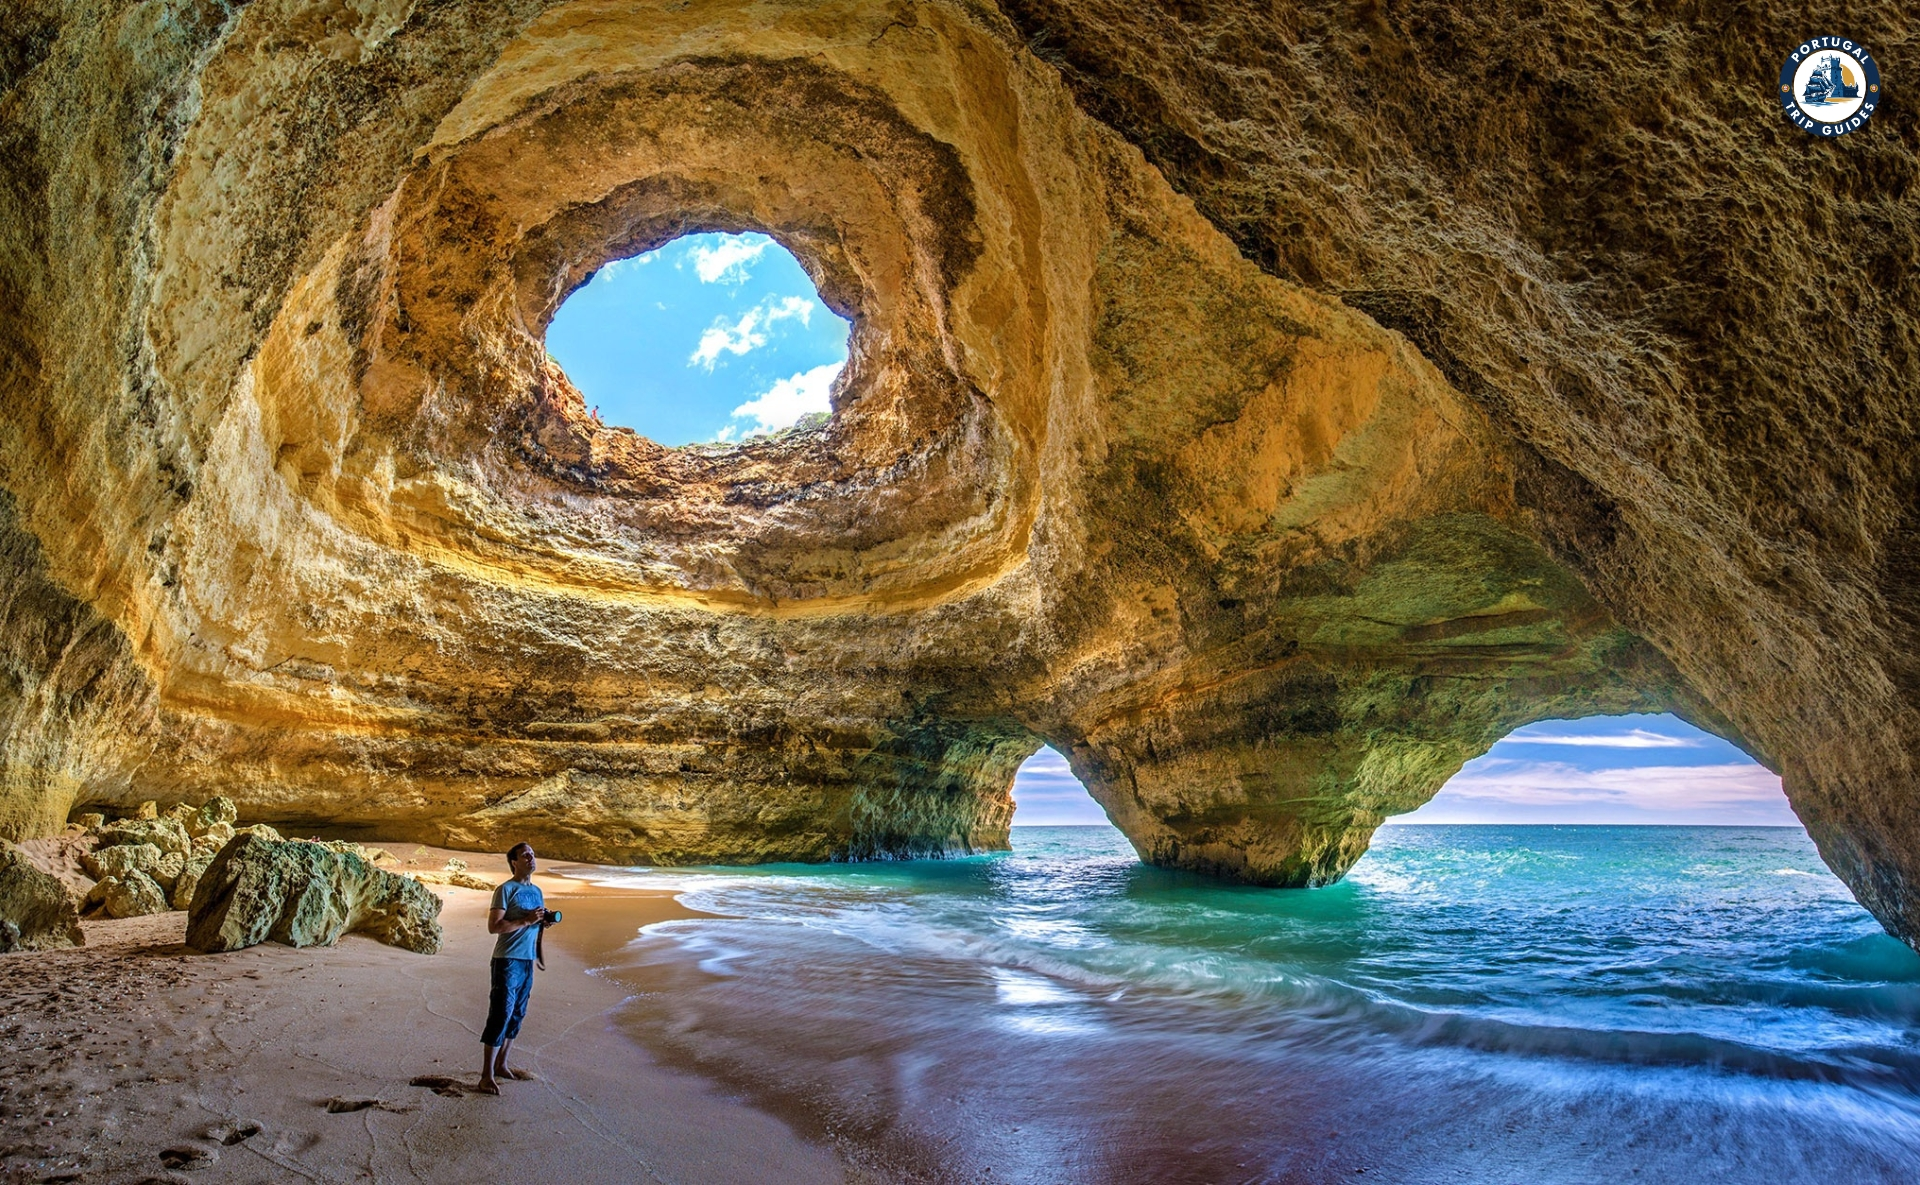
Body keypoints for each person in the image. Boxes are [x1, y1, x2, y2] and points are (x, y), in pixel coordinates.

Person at [478, 841, 546, 1094]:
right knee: (500, 1014)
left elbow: (533, 923)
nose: (531, 858)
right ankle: (485, 1075)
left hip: (527, 959)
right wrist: (526, 920)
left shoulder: (537, 891)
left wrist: (540, 922)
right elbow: (494, 926)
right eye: (525, 855)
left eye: (533, 854)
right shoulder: (505, 889)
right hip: (507, 959)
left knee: (518, 1013)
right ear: (514, 862)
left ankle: (502, 1064)